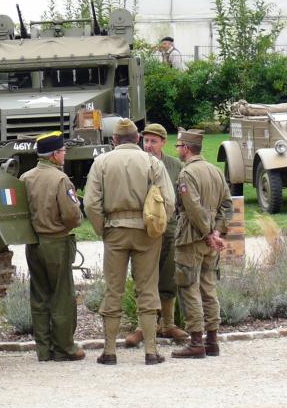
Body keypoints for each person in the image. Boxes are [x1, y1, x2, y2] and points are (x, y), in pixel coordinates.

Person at [84, 118, 175, 365]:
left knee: (113, 289)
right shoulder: (153, 162)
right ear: (137, 138)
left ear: (114, 140)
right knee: (148, 289)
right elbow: (168, 201)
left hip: (114, 230)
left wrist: (102, 228)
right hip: (147, 232)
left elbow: (90, 203)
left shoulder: (101, 162)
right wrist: (157, 226)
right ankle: (151, 351)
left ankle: (109, 351)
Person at [20, 132, 85, 361]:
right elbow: (71, 215)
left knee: (39, 297)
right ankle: (64, 348)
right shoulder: (60, 179)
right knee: (61, 296)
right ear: (55, 154)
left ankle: (44, 349)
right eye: (63, 151)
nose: (64, 154)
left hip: (33, 243)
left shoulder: (25, 177)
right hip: (56, 242)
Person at [171, 129, 232, 359]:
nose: (177, 150)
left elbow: (193, 208)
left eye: (178, 146)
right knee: (209, 287)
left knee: (188, 287)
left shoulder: (186, 174)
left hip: (191, 238)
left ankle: (196, 341)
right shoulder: (215, 171)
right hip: (210, 241)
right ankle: (212, 341)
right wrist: (217, 231)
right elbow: (227, 205)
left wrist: (208, 234)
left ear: (186, 148)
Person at [126, 123, 188, 347]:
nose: (149, 145)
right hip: (142, 228)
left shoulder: (175, 166)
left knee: (169, 275)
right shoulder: (136, 163)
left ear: (163, 142)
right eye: (146, 141)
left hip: (169, 227)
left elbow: (182, 198)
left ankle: (168, 323)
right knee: (143, 276)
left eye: (153, 141)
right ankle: (143, 326)